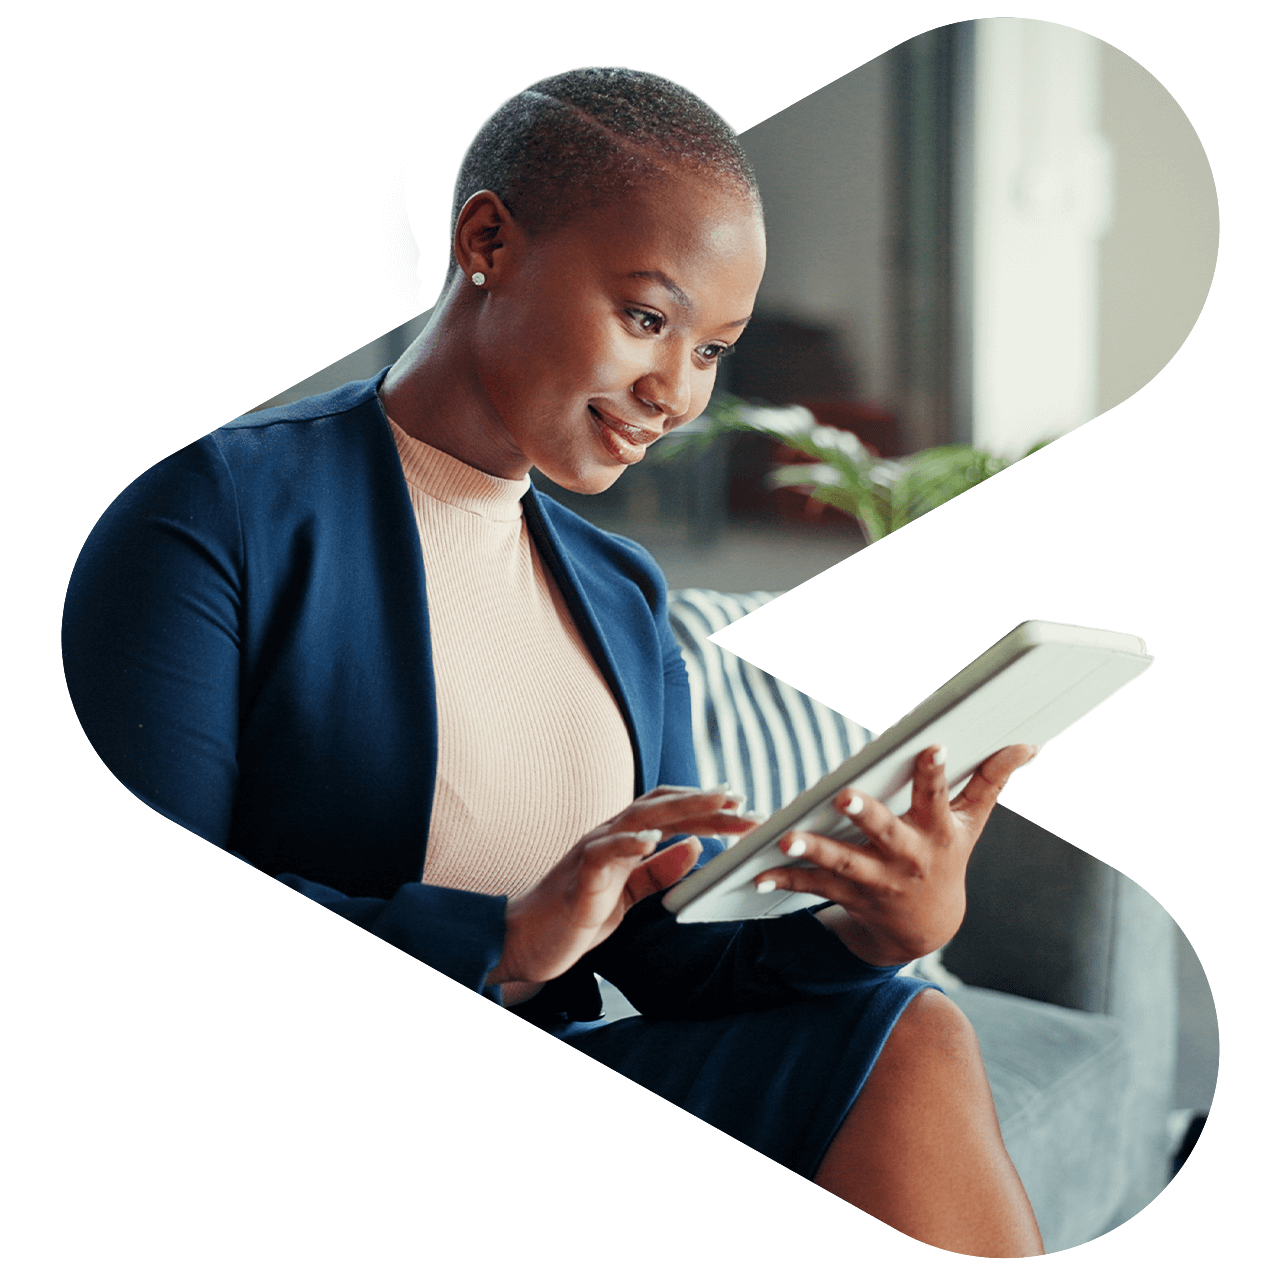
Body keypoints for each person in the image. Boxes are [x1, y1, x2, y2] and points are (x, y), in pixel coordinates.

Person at [63, 67, 1043, 1256]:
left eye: (712, 349)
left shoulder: (619, 592)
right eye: (646, 317)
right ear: (486, 240)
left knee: (907, 1024)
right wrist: (507, 941)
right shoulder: (211, 508)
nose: (674, 391)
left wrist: (875, 927)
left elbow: (668, 947)